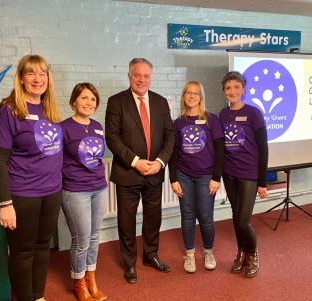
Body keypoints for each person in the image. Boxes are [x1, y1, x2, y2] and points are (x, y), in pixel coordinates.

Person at [0, 55, 63, 301]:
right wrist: (5, 203)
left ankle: (38, 296)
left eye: (42, 73)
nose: (37, 79)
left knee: (43, 248)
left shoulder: (50, 109)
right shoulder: (8, 110)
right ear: (20, 78)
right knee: (22, 252)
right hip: (22, 194)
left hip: (51, 192)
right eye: (31, 73)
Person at [105, 58, 175, 284]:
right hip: (128, 172)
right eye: (137, 75)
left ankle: (151, 256)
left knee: (153, 219)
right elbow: (112, 138)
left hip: (155, 171)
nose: (141, 80)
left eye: (146, 76)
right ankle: (129, 263)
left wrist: (160, 162)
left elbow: (170, 136)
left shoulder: (161, 102)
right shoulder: (116, 102)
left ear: (151, 77)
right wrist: (135, 161)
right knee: (127, 221)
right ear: (129, 76)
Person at [168, 81, 224, 273]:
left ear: (201, 97)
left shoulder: (212, 120)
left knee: (206, 217)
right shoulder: (178, 123)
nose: (192, 96)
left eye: (196, 93)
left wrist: (216, 177)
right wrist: (173, 179)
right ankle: (190, 255)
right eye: (188, 93)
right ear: (184, 96)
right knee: (188, 216)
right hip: (183, 175)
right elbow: (174, 153)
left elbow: (220, 151)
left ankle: (208, 251)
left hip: (206, 176)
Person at [219, 71, 269, 278]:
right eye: (228, 88)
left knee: (243, 221)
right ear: (224, 91)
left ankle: (252, 253)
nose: (232, 91)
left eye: (236, 87)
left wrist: (262, 182)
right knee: (235, 213)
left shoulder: (254, 113)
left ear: (244, 90)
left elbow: (263, 148)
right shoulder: (223, 114)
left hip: (249, 173)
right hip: (229, 172)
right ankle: (240, 251)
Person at [61, 83, 108, 301]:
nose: (89, 102)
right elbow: (55, 161)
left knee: (95, 236)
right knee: (81, 240)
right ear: (74, 101)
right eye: (84, 98)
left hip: (99, 187)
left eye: (92, 99)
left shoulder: (98, 126)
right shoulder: (63, 127)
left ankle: (92, 280)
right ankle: (79, 283)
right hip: (75, 190)